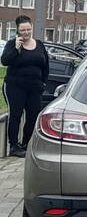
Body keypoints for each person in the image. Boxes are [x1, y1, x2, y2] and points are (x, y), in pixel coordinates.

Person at [2, 15, 49, 158]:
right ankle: (14, 147)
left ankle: (26, 144)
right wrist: (16, 48)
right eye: (23, 30)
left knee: (33, 115)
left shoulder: (39, 44)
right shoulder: (12, 44)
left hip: (34, 87)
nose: (26, 33)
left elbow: (45, 65)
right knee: (15, 115)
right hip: (15, 87)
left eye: (28, 29)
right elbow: (5, 61)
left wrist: (43, 83)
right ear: (18, 30)